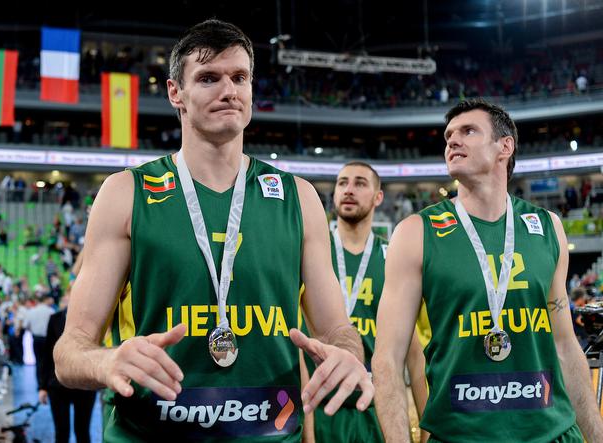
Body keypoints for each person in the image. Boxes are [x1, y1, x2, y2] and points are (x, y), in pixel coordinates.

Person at [54, 19, 372, 441]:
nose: (229, 90)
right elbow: (70, 351)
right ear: (175, 93)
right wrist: (106, 362)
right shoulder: (126, 194)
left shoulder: (300, 198)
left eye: (240, 77)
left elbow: (338, 331)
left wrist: (349, 356)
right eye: (208, 78)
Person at [373, 98, 603, 442]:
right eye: (449, 134)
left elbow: (564, 345)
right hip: (461, 433)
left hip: (551, 432)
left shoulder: (546, 226)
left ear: (504, 146)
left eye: (468, 131)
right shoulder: (416, 232)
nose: (452, 140)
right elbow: (388, 360)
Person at [301, 162, 428, 443]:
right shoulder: (311, 256)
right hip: (321, 409)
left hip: (377, 410)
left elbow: (414, 353)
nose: (348, 190)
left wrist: (427, 431)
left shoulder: (394, 257)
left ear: (378, 197)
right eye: (342, 183)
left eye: (360, 183)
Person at [39, 293, 97, 443]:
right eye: (67, 300)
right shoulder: (55, 319)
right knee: (61, 432)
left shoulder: (93, 319)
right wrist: (42, 386)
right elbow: (47, 354)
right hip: (58, 385)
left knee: (82, 432)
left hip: (85, 385)